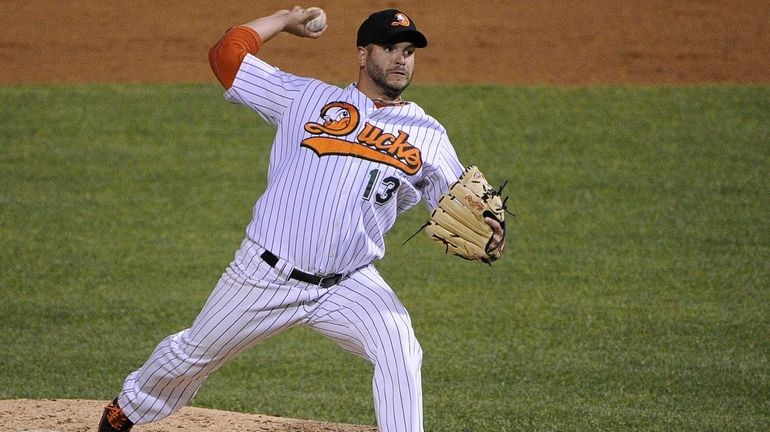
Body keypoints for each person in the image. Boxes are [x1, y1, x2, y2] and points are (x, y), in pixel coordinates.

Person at [98, 6, 504, 432]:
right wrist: (283, 20)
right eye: (389, 48)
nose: (401, 58)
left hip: (348, 281)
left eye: (408, 50)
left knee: (399, 347)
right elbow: (226, 56)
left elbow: (467, 204)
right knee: (193, 354)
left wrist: (494, 232)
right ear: (363, 55)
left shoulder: (429, 135)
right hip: (264, 274)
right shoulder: (305, 97)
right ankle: (127, 408)